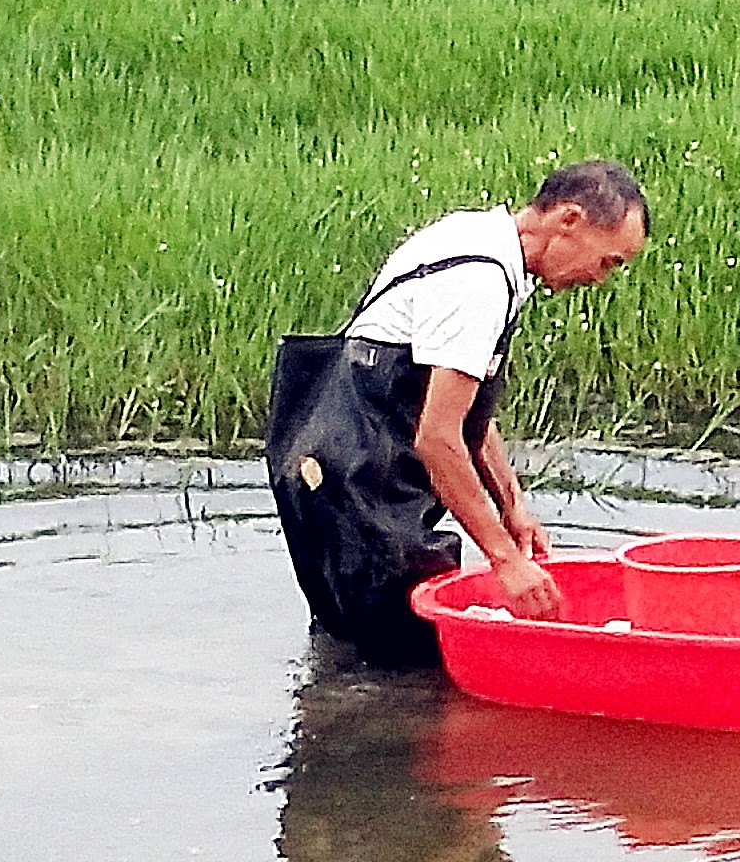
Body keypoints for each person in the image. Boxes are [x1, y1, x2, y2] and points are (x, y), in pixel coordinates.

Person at [266, 160, 646, 664]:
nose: (600, 278)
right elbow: (438, 437)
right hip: (357, 486)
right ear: (569, 220)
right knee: (408, 666)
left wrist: (513, 508)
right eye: (609, 261)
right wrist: (505, 560)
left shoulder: (478, 239)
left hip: (335, 472)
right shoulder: (478, 283)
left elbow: (465, 414)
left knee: (351, 651)